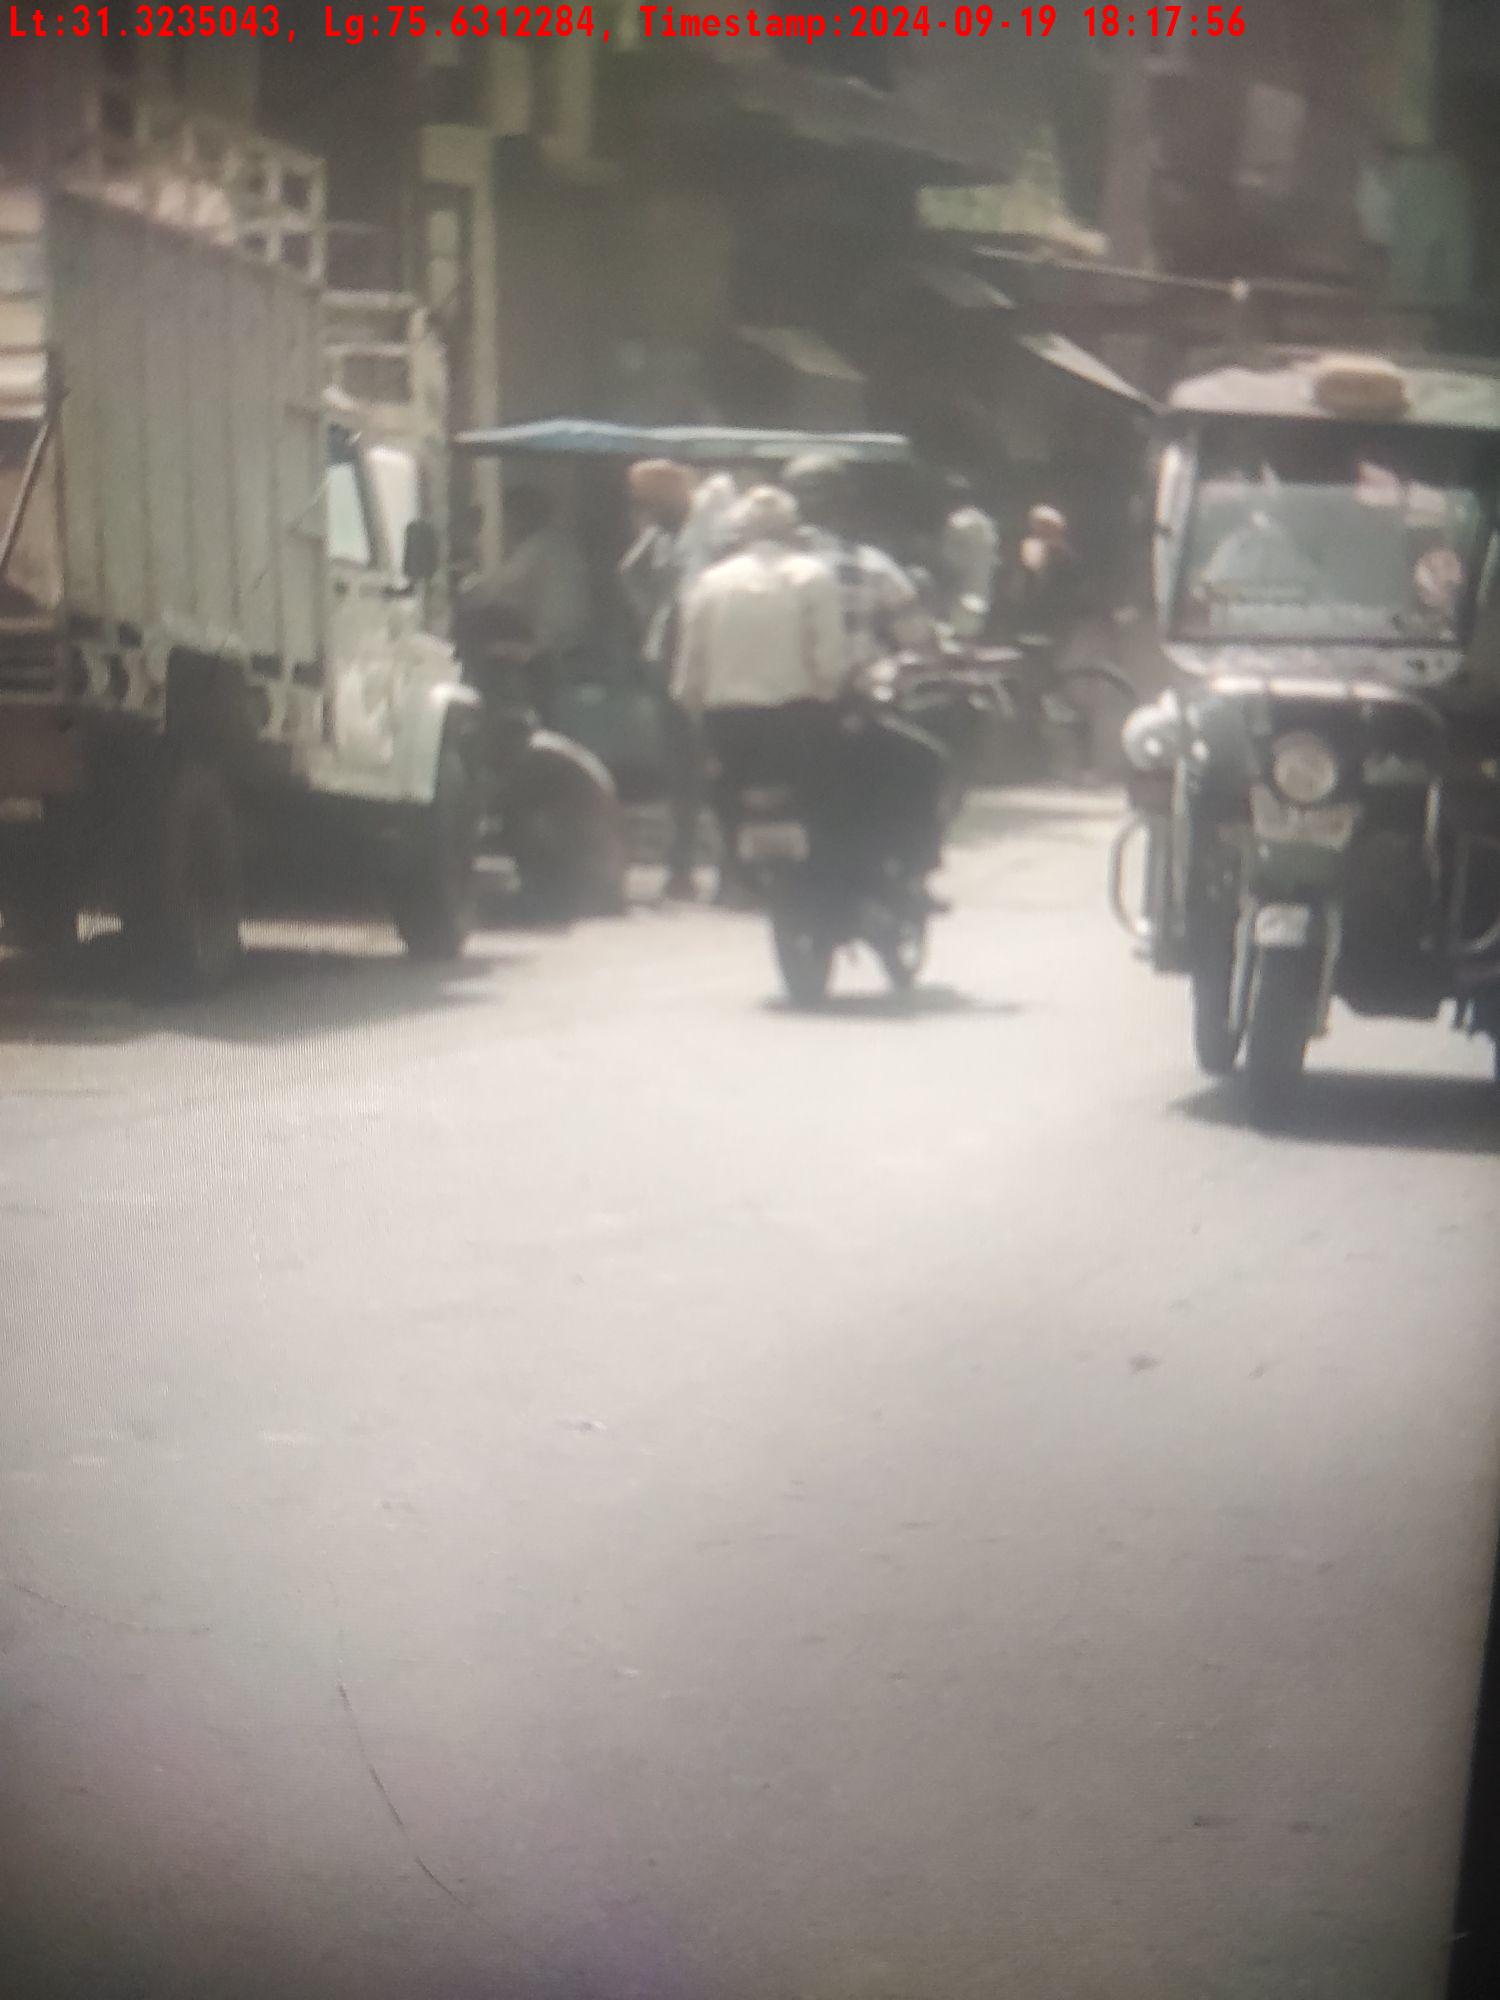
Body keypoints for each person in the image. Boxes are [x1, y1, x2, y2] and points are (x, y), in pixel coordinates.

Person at [783, 453, 949, 889]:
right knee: (927, 762)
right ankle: (913, 871)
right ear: (844, 506)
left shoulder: (743, 569)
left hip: (760, 719)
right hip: (845, 713)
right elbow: (919, 641)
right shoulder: (869, 566)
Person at [673, 486, 847, 894]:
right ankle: (808, 873)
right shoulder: (814, 576)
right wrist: (828, 696)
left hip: (726, 718)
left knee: (727, 794)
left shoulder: (711, 582)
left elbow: (691, 662)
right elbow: (829, 660)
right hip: (796, 715)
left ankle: (735, 870)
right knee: (816, 792)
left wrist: (693, 706)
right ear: (792, 530)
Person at [618, 459, 709, 898]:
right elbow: (629, 572)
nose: (644, 509)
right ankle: (682, 863)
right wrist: (653, 616)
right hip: (672, 658)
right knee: (682, 765)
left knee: (708, 760)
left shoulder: (705, 530)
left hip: (709, 657)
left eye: (649, 501)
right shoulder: (660, 539)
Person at [457, 486, 588, 723]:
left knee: (487, 650)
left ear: (523, 517)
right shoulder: (559, 544)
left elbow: (497, 590)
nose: (508, 525)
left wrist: (467, 584)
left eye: (511, 517)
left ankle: (495, 718)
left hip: (552, 645)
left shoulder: (540, 547)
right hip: (564, 640)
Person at [1009, 502, 1083, 641]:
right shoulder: (1028, 545)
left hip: (1053, 610)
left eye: (1043, 525)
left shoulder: (1063, 553)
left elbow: (1069, 581)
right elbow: (1023, 572)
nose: (1037, 528)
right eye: (1035, 524)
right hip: (1027, 607)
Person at [939, 475, 1000, 640]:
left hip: (962, 588)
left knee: (957, 635)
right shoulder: (986, 522)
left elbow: (950, 562)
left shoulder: (957, 522)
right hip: (984, 584)